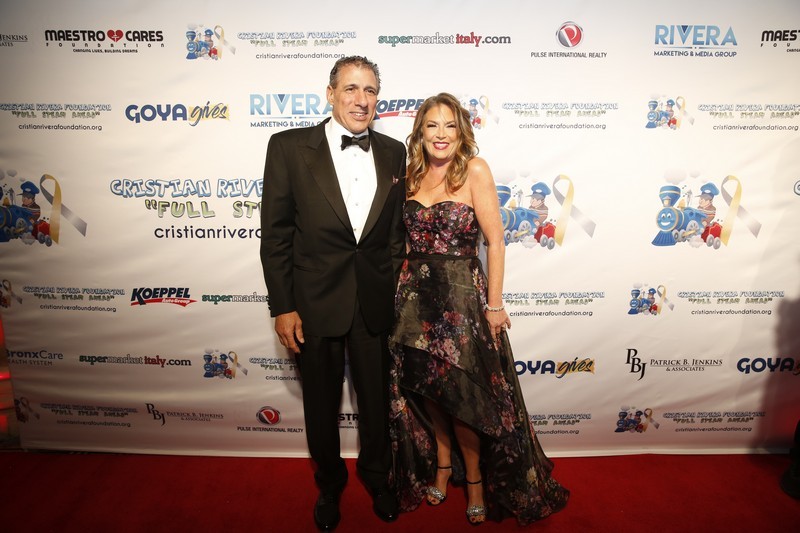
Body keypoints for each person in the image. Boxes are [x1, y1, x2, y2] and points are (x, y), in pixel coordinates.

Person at [388, 93, 569, 526]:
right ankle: (442, 465)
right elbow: (404, 242)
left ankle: (473, 480)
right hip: (416, 301)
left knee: (464, 396)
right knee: (431, 391)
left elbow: (496, 241)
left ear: (462, 131)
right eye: (432, 125)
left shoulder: (475, 169)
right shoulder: (410, 174)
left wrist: (494, 305)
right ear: (420, 132)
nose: (441, 135)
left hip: (461, 301)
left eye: (450, 125)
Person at [260, 55, 407, 531]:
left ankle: (378, 476)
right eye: (351, 89)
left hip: (373, 301)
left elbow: (394, 234)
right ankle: (328, 483)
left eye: (370, 90)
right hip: (314, 300)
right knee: (321, 405)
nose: (361, 100)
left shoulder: (394, 151)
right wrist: (284, 306)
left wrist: (393, 289)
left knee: (376, 401)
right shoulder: (287, 147)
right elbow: (276, 236)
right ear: (330, 94)